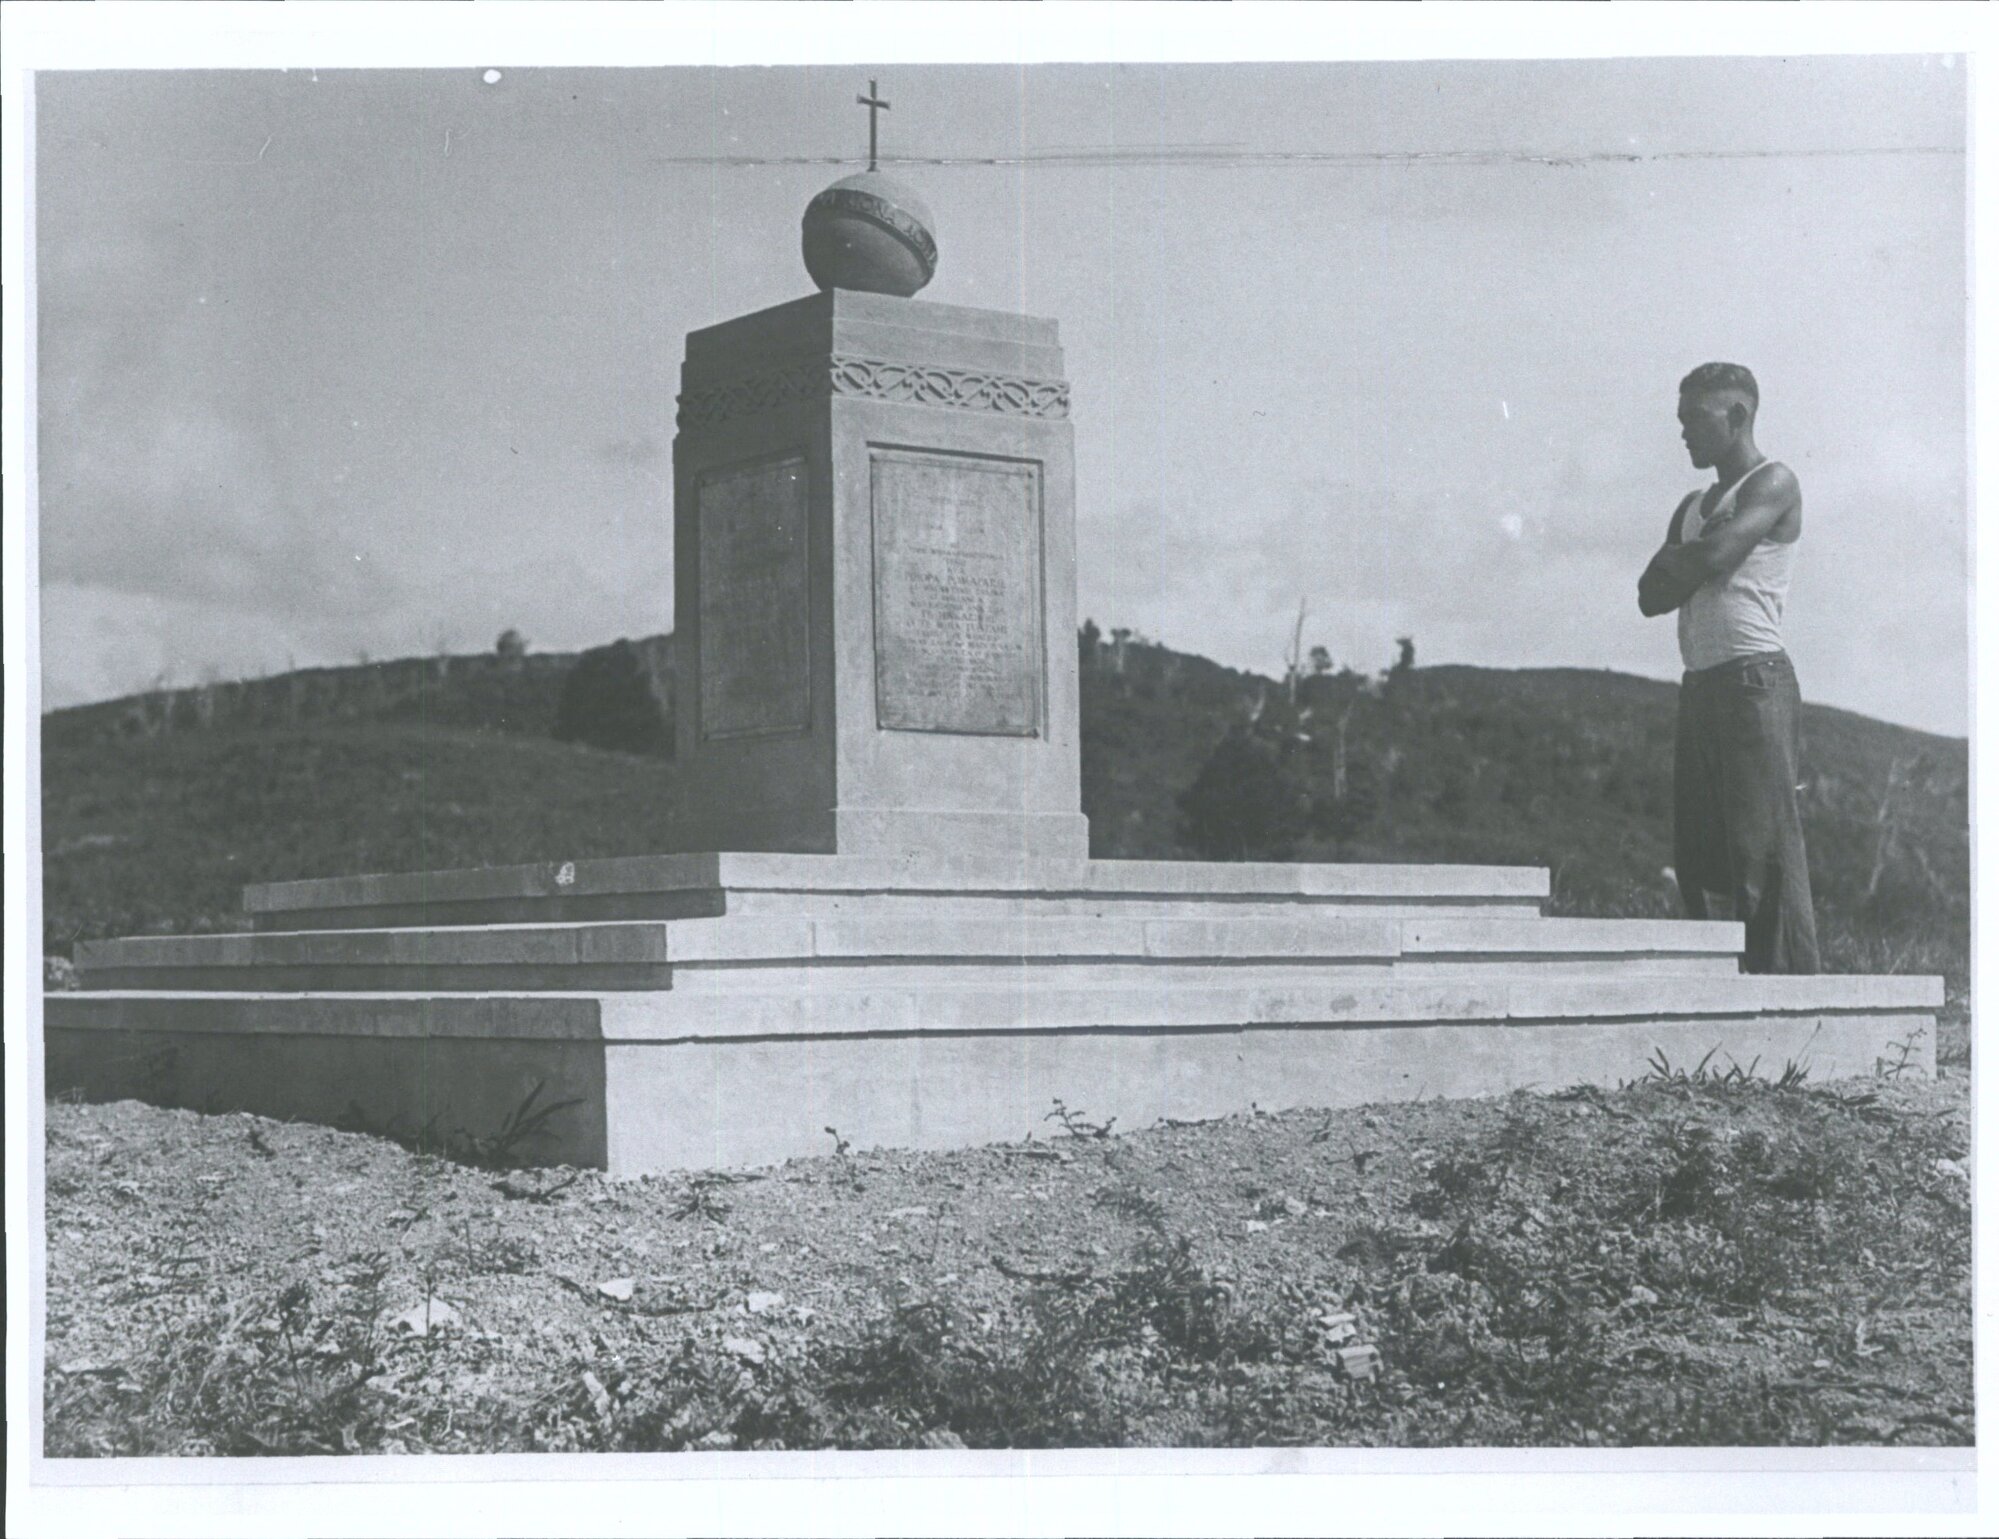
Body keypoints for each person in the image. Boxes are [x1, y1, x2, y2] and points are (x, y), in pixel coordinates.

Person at [1637, 361, 1820, 973]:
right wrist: (1700, 558)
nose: (1685, 432)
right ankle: (1719, 988)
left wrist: (1694, 560)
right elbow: (1649, 595)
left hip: (1753, 680)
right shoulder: (1693, 504)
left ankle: (1789, 999)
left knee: (1762, 850)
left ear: (1737, 416)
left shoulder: (1774, 482)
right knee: (1702, 849)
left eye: (1696, 418)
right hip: (1702, 683)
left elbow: (1716, 556)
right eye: (1681, 419)